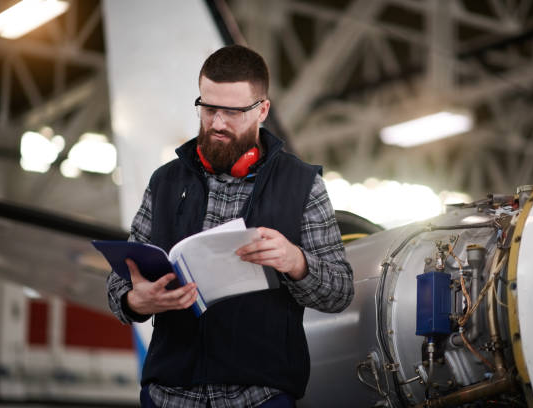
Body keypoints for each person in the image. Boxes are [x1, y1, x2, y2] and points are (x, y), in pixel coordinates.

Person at [106, 44, 354, 408]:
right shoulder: (165, 182)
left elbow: (340, 292)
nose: (217, 122)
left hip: (260, 397)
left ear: (262, 110)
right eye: (208, 108)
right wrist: (134, 300)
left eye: (233, 112)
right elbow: (118, 285)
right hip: (168, 395)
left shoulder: (303, 186)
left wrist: (296, 262)